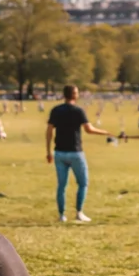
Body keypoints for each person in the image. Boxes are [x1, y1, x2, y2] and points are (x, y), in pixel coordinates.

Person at [45, 85, 112, 222]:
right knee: (83, 183)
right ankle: (79, 212)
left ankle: (61, 215)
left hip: (59, 152)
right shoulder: (78, 111)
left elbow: (49, 131)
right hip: (75, 152)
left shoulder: (56, 110)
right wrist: (105, 132)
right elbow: (89, 129)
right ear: (75, 95)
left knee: (61, 186)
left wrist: (48, 151)